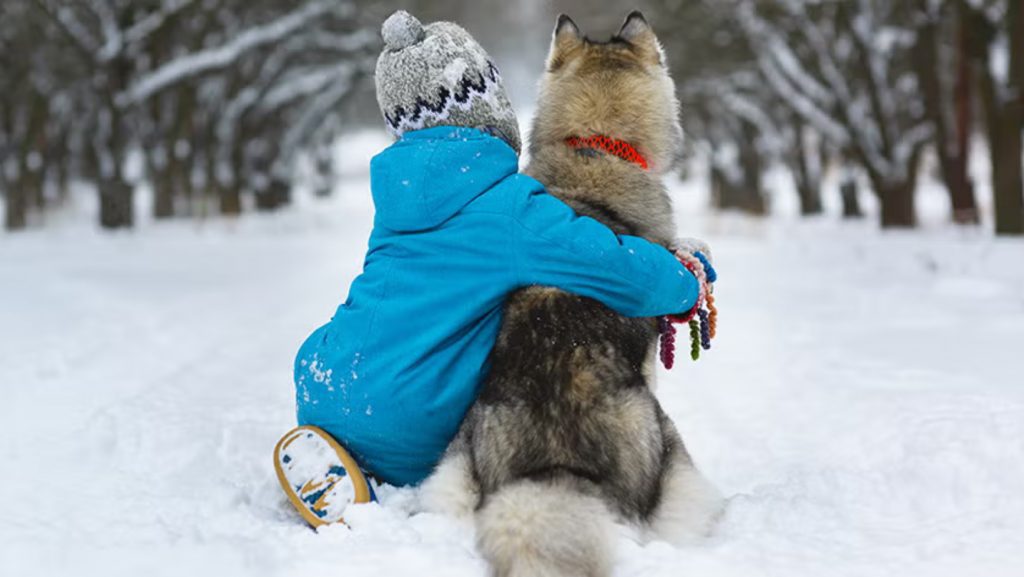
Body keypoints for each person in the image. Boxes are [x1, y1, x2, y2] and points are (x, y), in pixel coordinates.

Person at [272, 11, 701, 528]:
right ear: (490, 109)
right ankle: (380, 479)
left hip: (323, 377)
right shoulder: (511, 207)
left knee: (379, 326)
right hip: (414, 416)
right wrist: (684, 282)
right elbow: (613, 266)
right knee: (453, 394)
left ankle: (339, 443)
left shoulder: (397, 198)